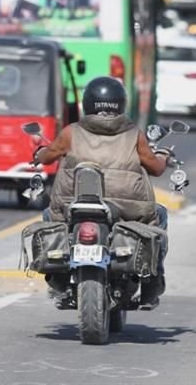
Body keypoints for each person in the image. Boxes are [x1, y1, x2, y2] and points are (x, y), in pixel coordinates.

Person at [31, 76, 170, 306]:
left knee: (49, 216)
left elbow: (47, 156)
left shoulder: (71, 133)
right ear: (121, 104)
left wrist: (39, 154)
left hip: (72, 206)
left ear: (87, 104)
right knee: (160, 215)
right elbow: (156, 168)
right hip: (128, 211)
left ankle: (57, 279)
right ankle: (152, 285)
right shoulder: (135, 134)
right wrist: (163, 156)